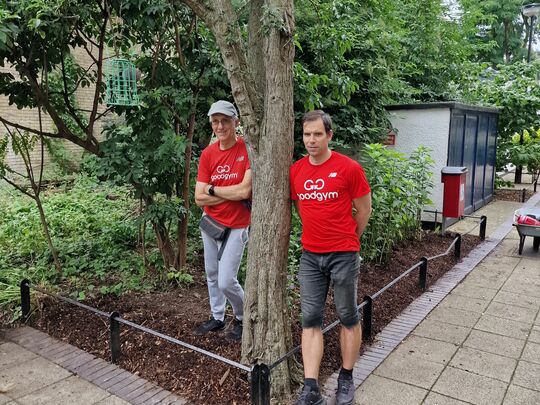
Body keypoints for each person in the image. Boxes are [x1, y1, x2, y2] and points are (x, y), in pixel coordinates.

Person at [290, 110, 372, 405]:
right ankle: (311, 388)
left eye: (317, 134)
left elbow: (364, 210)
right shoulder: (296, 170)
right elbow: (300, 207)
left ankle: (346, 379)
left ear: (329, 136)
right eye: (306, 134)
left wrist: (350, 240)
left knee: (347, 316)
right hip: (311, 256)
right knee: (310, 318)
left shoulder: (348, 168)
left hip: (343, 255)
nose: (311, 140)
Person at [194, 100, 252, 341]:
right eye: (215, 122)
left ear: (235, 122)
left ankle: (243, 316)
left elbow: (244, 193)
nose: (220, 126)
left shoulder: (246, 150)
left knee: (227, 279)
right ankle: (217, 317)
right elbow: (198, 198)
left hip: (237, 225)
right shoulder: (208, 154)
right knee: (212, 274)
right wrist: (227, 192)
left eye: (225, 121)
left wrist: (213, 190)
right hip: (211, 224)